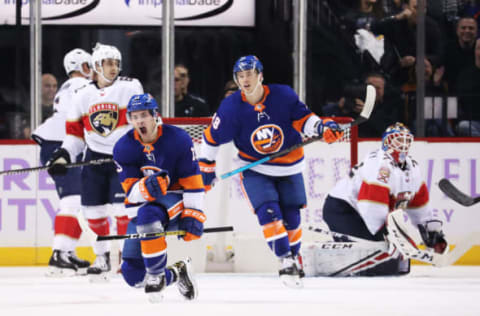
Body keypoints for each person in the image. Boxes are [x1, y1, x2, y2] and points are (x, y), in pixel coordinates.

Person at [198, 55, 344, 288]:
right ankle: (285, 260)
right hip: (256, 168)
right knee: (268, 213)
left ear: (261, 75)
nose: (245, 79)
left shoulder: (283, 95)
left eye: (250, 74)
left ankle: (293, 257)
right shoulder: (231, 107)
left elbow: (305, 120)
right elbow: (210, 139)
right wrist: (206, 167)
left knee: (292, 218)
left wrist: (322, 127)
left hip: (290, 166)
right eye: (241, 75)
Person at [46, 42, 144, 281]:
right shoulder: (82, 96)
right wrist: (64, 154)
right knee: (92, 213)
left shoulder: (130, 87)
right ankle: (101, 258)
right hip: (95, 159)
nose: (113, 68)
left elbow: (144, 121)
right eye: (108, 63)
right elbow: (75, 136)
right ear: (97, 65)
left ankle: (126, 258)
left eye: (116, 63)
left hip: (125, 158)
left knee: (124, 211)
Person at [313, 122, 447, 276]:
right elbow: (371, 205)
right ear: (386, 142)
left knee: (394, 261)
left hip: (363, 212)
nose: (403, 145)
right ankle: (328, 256)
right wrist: (385, 233)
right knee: (376, 250)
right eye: (398, 140)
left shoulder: (413, 168)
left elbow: (419, 206)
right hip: (342, 209)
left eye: (406, 140)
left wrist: (431, 232)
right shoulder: (380, 164)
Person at [113, 93, 204, 302]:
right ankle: (177, 272)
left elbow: (193, 182)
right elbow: (131, 192)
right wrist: (146, 188)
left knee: (149, 216)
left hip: (174, 197)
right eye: (134, 117)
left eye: (143, 115)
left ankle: (156, 276)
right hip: (142, 204)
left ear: (155, 115)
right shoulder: (123, 147)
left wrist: (194, 212)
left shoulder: (178, 139)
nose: (139, 121)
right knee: (133, 275)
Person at [31, 48, 93, 276]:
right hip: (62, 147)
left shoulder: (71, 86)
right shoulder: (80, 86)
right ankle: (59, 253)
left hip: (61, 145)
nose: (93, 69)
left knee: (79, 202)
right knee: (73, 200)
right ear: (81, 67)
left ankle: (66, 251)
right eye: (89, 65)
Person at [456, 38, 480, 136]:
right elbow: (464, 101)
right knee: (463, 126)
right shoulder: (465, 75)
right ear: (475, 51)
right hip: (474, 122)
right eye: (479, 48)